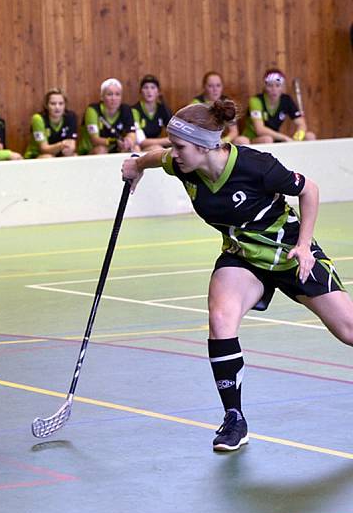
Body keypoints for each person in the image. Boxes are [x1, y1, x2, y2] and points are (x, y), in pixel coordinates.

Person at [121, 99, 353, 453]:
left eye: (180, 146)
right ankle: (234, 418)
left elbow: (309, 190)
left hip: (289, 253)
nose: (174, 153)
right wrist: (136, 164)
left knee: (348, 330)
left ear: (205, 145)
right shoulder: (183, 164)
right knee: (221, 320)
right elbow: (156, 157)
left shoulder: (256, 166)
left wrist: (305, 245)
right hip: (242, 257)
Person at [243, 69, 316, 143]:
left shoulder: (286, 100)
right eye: (270, 85)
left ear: (282, 87)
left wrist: (298, 138)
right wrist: (285, 138)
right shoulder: (256, 101)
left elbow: (301, 124)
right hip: (255, 139)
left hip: (275, 138)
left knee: (310, 136)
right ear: (265, 86)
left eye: (277, 85)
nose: (274, 89)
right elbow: (260, 129)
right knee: (267, 139)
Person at [77, 78, 138, 155]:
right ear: (102, 97)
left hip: (116, 147)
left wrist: (129, 141)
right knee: (101, 150)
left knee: (135, 148)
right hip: (90, 150)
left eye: (117, 94)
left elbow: (132, 133)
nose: (114, 98)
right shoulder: (93, 110)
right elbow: (95, 140)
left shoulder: (126, 109)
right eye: (109, 94)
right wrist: (115, 141)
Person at [191, 72, 249, 145]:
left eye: (218, 85)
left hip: (222, 140)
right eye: (210, 86)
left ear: (222, 87)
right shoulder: (196, 104)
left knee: (243, 140)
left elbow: (234, 132)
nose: (215, 89)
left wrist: (223, 141)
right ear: (204, 87)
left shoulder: (227, 103)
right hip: (203, 141)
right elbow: (193, 131)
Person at [23, 88, 78, 159]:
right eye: (53, 104)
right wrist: (61, 145)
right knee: (48, 157)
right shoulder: (38, 119)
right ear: (46, 105)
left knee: (74, 156)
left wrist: (69, 149)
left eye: (61, 103)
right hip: (36, 155)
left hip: (60, 153)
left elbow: (72, 145)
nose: (57, 107)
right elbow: (43, 149)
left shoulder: (71, 117)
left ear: (65, 105)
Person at [131, 74, 172, 150]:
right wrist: (167, 140)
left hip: (157, 145)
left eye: (153, 87)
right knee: (157, 149)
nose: (149, 91)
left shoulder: (163, 108)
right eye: (145, 87)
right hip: (139, 147)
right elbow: (141, 141)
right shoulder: (135, 110)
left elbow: (174, 133)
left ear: (158, 92)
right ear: (140, 91)